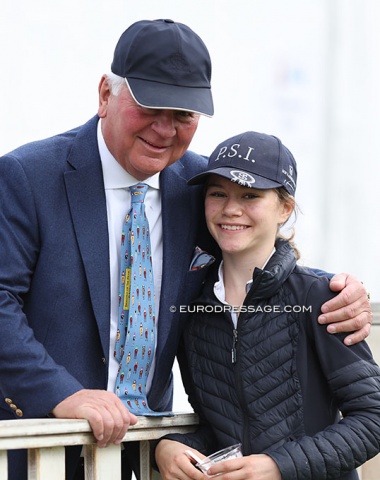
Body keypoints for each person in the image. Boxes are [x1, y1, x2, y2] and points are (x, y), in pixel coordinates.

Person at [0, 19, 372, 480]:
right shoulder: (26, 177)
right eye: (149, 105)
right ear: (104, 95)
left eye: (184, 115)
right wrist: (62, 393)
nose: (164, 129)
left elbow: (253, 247)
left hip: (148, 452)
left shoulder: (203, 186)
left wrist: (338, 290)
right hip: (40, 447)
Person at [154, 131, 380, 480]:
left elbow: (372, 418)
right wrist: (168, 446)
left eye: (250, 195)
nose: (231, 209)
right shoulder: (193, 308)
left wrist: (280, 466)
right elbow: (225, 427)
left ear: (285, 208)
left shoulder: (319, 298)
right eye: (218, 194)